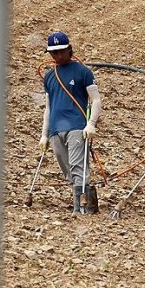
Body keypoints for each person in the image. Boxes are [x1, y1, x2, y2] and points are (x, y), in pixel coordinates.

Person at [38, 30, 102, 214]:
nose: (57, 55)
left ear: (69, 49)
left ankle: (79, 207)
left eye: (61, 51)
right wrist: (44, 134)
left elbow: (95, 100)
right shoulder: (50, 76)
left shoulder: (83, 72)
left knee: (77, 165)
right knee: (65, 167)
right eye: (53, 52)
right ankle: (86, 199)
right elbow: (49, 107)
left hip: (76, 125)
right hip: (56, 128)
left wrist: (91, 123)